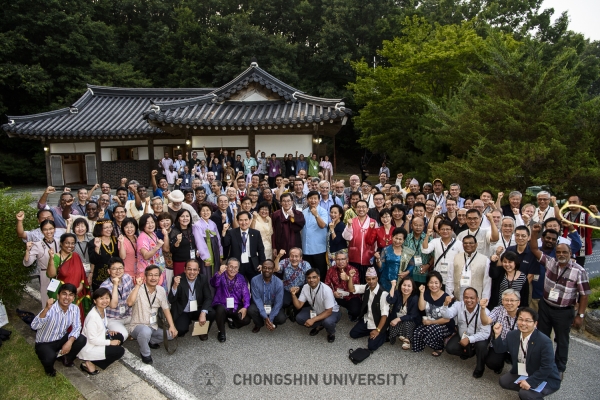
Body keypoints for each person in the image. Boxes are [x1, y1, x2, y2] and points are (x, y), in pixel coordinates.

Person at [529, 224, 590, 378]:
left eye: (564, 252)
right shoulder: (550, 262)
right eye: (558, 252)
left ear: (570, 253)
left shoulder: (579, 271)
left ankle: (559, 368)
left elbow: (584, 295)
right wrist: (535, 233)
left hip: (564, 311)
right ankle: (541, 363)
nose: (561, 254)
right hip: (546, 307)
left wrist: (580, 315)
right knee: (542, 337)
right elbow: (535, 249)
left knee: (562, 341)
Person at [492, 307, 561, 399]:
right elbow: (499, 349)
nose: (523, 323)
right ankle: (528, 390)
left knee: (524, 394)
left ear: (535, 324)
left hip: (546, 377)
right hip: (525, 371)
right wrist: (497, 335)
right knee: (504, 381)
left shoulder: (544, 341)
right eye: (520, 319)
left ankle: (532, 394)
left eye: (528, 321)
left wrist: (530, 382)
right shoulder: (512, 335)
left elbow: (547, 367)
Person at [31, 284, 87, 377]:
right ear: (58, 296)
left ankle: (65, 358)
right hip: (45, 342)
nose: (67, 297)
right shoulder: (50, 308)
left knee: (81, 339)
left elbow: (77, 326)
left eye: (71, 295)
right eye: (64, 294)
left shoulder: (75, 308)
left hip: (61, 339)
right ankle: (50, 370)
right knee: (50, 358)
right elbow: (34, 326)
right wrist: (45, 309)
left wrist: (69, 342)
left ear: (73, 298)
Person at [127, 265, 177, 364]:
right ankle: (145, 353)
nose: (153, 278)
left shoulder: (161, 290)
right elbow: (129, 303)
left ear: (159, 277)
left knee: (171, 335)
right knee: (145, 332)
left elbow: (166, 309)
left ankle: (151, 341)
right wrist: (137, 285)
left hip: (153, 326)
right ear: (145, 277)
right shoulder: (139, 289)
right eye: (150, 275)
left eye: (156, 275)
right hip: (137, 326)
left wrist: (172, 326)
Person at [442, 287, 491, 378]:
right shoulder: (458, 305)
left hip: (478, 337)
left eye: (472, 298)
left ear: (477, 299)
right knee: (450, 348)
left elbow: (485, 333)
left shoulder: (485, 312)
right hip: (462, 334)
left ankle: (480, 368)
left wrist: (469, 339)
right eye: (466, 297)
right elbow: (447, 315)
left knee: (481, 346)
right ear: (463, 298)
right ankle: (468, 352)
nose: (468, 300)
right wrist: (445, 305)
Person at [78, 288, 125, 375]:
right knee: (120, 351)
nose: (105, 301)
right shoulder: (92, 317)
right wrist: (110, 342)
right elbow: (92, 340)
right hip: (90, 346)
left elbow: (102, 325)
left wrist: (108, 331)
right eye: (101, 298)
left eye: (107, 298)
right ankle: (90, 361)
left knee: (119, 337)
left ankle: (97, 358)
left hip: (99, 338)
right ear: (95, 301)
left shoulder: (102, 309)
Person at [46, 233, 92, 323]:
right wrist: (51, 258)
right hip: (62, 294)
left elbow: (81, 274)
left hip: (77, 293)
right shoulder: (55, 257)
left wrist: (80, 287)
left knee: (76, 320)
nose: (70, 246)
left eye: (72, 243)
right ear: (61, 243)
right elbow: (51, 275)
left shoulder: (75, 256)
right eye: (67, 243)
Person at [169, 259, 215, 340]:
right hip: (183, 310)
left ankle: (202, 331)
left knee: (211, 313)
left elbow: (208, 297)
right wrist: (175, 286)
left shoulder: (203, 278)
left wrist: (203, 313)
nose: (192, 272)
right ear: (184, 270)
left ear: (198, 271)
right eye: (189, 269)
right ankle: (186, 323)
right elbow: (171, 300)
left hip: (197, 308)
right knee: (180, 331)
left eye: (195, 270)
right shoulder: (177, 279)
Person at [291, 268, 340, 343]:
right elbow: (298, 306)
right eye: (309, 278)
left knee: (328, 322)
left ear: (318, 278)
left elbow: (329, 311)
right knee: (299, 318)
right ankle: (319, 325)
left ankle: (331, 332)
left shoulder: (326, 290)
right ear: (306, 279)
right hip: (316, 309)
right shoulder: (305, 287)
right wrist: (293, 295)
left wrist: (313, 319)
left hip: (332, 311)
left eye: (314, 277)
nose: (311, 280)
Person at [412, 271, 454, 356]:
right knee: (417, 332)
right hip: (429, 323)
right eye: (431, 282)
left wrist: (431, 322)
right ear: (427, 284)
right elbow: (421, 308)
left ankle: (439, 347)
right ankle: (427, 342)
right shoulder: (426, 293)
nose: (433, 285)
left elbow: (447, 319)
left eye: (436, 283)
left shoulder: (446, 298)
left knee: (430, 330)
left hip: (444, 325)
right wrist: (422, 293)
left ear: (441, 284)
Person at [210, 258, 251, 342]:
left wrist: (245, 307)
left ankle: (230, 320)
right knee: (220, 310)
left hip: (235, 305)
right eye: (231, 267)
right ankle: (221, 332)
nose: (233, 269)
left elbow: (246, 293)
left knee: (246, 320)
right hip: (221, 304)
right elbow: (213, 283)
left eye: (235, 267)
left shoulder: (241, 278)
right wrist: (219, 273)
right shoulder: (221, 274)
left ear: (238, 269)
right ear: (226, 267)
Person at [480, 290, 521, 374]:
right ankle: (500, 364)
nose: (509, 303)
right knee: (492, 363)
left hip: (516, 347)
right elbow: (485, 322)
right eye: (506, 300)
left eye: (512, 300)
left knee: (521, 367)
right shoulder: (498, 310)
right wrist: (483, 309)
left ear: (518, 302)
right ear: (502, 301)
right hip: (499, 343)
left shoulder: (523, 314)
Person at [349, 267, 389, 351]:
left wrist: (377, 330)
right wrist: (350, 277)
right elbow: (351, 289)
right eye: (369, 279)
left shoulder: (383, 294)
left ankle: (384, 334)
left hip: (378, 323)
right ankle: (371, 331)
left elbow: (384, 315)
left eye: (373, 279)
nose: (371, 281)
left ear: (377, 278)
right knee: (353, 334)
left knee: (371, 346)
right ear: (366, 279)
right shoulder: (366, 287)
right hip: (368, 319)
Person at [24, 220, 60, 306]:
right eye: (45, 229)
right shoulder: (37, 245)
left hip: (61, 275)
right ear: (41, 231)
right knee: (48, 302)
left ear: (54, 229)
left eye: (51, 228)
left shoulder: (60, 242)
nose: (48, 232)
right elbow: (27, 263)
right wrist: (27, 250)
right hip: (46, 275)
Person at [222, 211, 265, 283]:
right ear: (237, 221)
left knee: (255, 285)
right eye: (241, 220)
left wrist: (261, 263)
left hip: (252, 264)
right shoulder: (232, 232)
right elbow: (225, 244)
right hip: (237, 264)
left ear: (250, 220)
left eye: (246, 220)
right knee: (236, 286)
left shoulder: (256, 233)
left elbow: (260, 249)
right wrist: (224, 232)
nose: (243, 223)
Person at [342, 200, 377, 283]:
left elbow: (376, 242)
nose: (361, 209)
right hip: (354, 258)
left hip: (368, 258)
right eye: (359, 207)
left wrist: (374, 254)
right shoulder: (351, 221)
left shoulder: (373, 222)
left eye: (364, 207)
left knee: (367, 282)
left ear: (368, 209)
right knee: (354, 282)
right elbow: (346, 237)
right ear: (355, 209)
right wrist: (349, 226)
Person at [422, 220, 463, 290]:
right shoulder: (435, 241)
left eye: (448, 229)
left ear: (452, 230)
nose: (445, 231)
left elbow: (462, 259)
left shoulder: (458, 243)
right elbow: (425, 250)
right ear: (439, 230)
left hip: (452, 277)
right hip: (438, 276)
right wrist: (427, 236)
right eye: (443, 229)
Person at [99, 257, 134, 340]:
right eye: (114, 269)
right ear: (109, 271)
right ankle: (109, 331)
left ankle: (126, 329)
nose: (118, 271)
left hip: (128, 315)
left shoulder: (127, 277)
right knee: (123, 336)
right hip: (113, 318)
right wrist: (115, 285)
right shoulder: (105, 286)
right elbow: (113, 305)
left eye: (120, 268)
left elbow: (132, 296)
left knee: (144, 326)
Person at [448, 235, 491, 301]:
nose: (468, 245)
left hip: (476, 297)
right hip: (458, 295)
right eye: (465, 243)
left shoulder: (485, 259)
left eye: (471, 243)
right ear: (462, 245)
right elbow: (450, 277)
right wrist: (449, 294)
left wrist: (485, 298)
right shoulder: (456, 257)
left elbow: (487, 282)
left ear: (476, 244)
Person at [248, 260, 286, 333]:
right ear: (261, 268)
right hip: (260, 303)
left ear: (273, 269)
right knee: (251, 310)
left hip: (272, 304)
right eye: (265, 267)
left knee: (282, 318)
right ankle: (259, 324)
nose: (267, 270)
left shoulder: (279, 283)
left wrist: (270, 318)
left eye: (270, 268)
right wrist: (265, 317)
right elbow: (257, 299)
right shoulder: (254, 280)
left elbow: (278, 303)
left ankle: (271, 322)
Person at [325, 251, 361, 322]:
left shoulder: (353, 270)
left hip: (350, 296)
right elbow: (327, 284)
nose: (340, 261)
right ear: (335, 260)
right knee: (324, 302)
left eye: (343, 259)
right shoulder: (331, 270)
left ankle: (351, 312)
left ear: (347, 260)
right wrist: (333, 292)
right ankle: (335, 314)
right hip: (336, 296)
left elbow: (356, 286)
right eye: (338, 259)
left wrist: (348, 278)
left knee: (356, 311)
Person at [387, 277, 420, 350]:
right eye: (404, 285)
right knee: (392, 327)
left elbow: (412, 315)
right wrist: (393, 286)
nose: (406, 288)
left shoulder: (415, 298)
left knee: (407, 323)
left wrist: (398, 319)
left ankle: (407, 338)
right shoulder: (397, 293)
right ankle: (402, 334)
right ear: (400, 285)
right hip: (399, 319)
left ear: (413, 288)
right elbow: (390, 300)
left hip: (411, 321)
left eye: (409, 286)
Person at [301, 191, 329, 278]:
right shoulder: (304, 212)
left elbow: (322, 225)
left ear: (319, 200)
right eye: (310, 198)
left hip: (319, 250)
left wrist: (316, 215)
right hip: (306, 250)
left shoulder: (323, 211)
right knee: (308, 275)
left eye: (315, 198)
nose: (313, 200)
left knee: (320, 274)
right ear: (307, 200)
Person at [271, 193, 306, 259]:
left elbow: (302, 224)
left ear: (292, 202)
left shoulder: (298, 213)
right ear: (280, 202)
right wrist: (274, 247)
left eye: (288, 201)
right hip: (280, 245)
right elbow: (273, 231)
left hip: (295, 243)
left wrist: (293, 216)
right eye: (284, 201)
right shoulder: (276, 215)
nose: (286, 203)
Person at [193, 203, 223, 278]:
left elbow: (218, 238)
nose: (205, 213)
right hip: (206, 252)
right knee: (206, 273)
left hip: (215, 251)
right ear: (199, 212)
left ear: (211, 212)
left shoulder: (212, 223)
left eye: (208, 210)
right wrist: (206, 258)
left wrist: (220, 254)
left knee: (216, 271)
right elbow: (199, 242)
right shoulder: (197, 225)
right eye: (203, 211)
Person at [374, 227, 408, 292]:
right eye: (396, 238)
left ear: (404, 240)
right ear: (392, 237)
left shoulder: (407, 252)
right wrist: (378, 259)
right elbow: (381, 266)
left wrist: (407, 272)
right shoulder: (385, 250)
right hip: (386, 281)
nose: (397, 241)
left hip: (400, 282)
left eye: (400, 239)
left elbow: (411, 264)